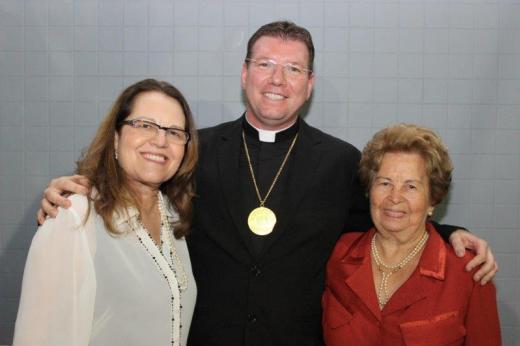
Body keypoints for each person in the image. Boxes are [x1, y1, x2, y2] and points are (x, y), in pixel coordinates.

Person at [37, 22, 497, 346]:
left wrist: (451, 233)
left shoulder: (340, 161)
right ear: (244, 74)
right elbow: (137, 188)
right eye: (265, 64)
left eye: (293, 69)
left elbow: (389, 218)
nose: (277, 79)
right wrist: (80, 191)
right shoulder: (191, 150)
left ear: (309, 83)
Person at [14, 79, 198, 346]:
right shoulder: (75, 215)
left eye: (174, 132)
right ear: (115, 137)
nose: (160, 140)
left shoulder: (174, 217)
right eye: (144, 125)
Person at [322, 124, 501, 345]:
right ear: (369, 190)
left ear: (432, 200)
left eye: (411, 187)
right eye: (385, 183)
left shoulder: (469, 272)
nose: (395, 197)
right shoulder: (337, 255)